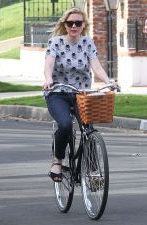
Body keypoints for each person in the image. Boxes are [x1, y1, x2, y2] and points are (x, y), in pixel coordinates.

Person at [44, 7, 111, 182]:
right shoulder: (55, 42)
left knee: (89, 131)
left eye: (78, 23)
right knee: (65, 125)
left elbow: (96, 66)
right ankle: (57, 161)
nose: (74, 26)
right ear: (64, 24)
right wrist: (48, 79)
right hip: (57, 92)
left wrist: (108, 81)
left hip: (82, 94)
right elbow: (49, 64)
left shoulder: (88, 43)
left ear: (83, 25)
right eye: (70, 23)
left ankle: (93, 172)